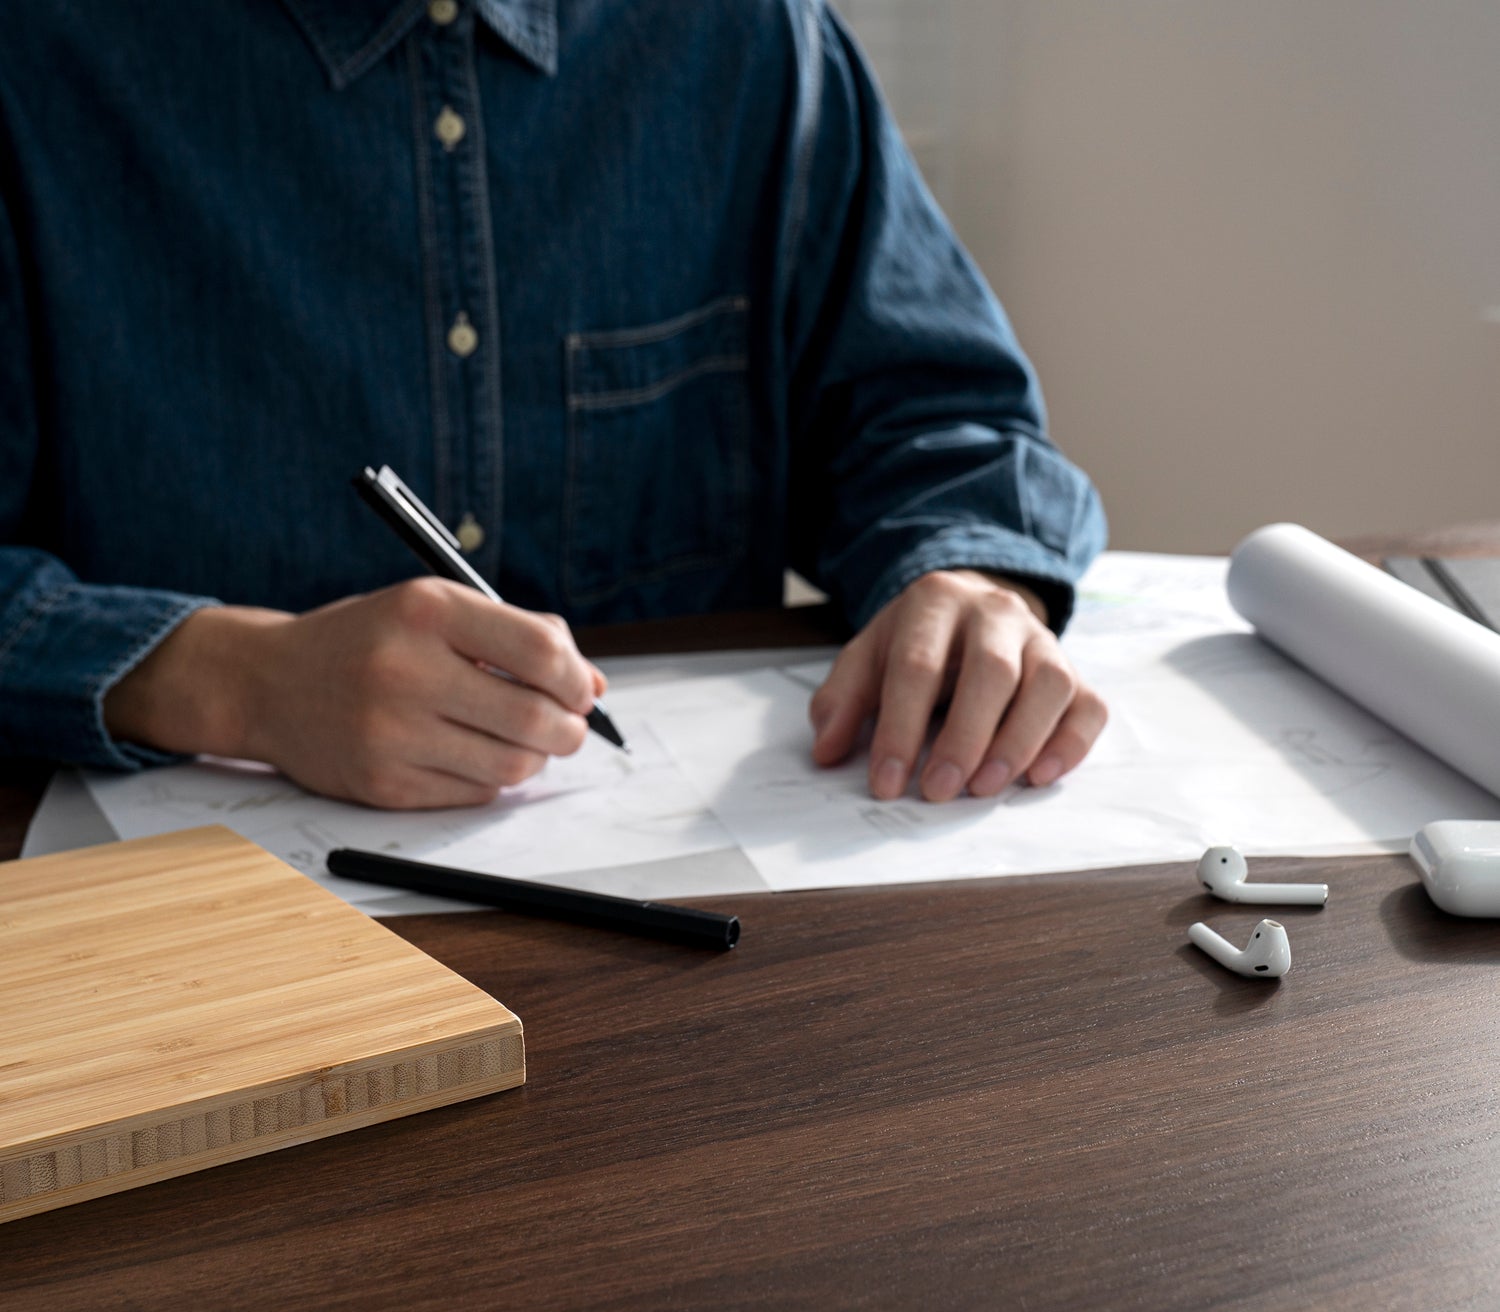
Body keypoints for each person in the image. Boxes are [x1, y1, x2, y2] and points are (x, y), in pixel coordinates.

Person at [0, 0, 1107, 810]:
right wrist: (235, 684)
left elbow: (931, 417)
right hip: (174, 946)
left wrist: (971, 576)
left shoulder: (751, 40)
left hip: (683, 934)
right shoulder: (38, 62)